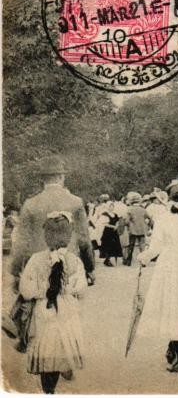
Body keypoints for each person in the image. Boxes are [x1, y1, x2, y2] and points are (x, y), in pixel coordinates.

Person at [6, 156, 93, 350]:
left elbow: (22, 243)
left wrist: (16, 272)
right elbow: (84, 239)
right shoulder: (76, 202)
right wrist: (89, 267)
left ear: (42, 179)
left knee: (36, 308)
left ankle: (31, 341)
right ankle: (67, 347)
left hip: (37, 264)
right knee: (68, 308)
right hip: (68, 263)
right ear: (61, 177)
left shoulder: (30, 204)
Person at [136, 180, 178, 373]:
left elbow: (156, 247)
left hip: (169, 264)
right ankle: (173, 349)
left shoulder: (163, 219)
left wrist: (144, 258)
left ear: (170, 198)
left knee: (171, 307)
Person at [19, 213, 87, 394]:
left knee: (46, 350)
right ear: (69, 236)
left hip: (44, 310)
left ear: (46, 236)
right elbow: (81, 289)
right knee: (62, 349)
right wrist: (66, 290)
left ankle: (48, 390)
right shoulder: (75, 261)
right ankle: (58, 377)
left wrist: (42, 291)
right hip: (67, 312)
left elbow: (26, 290)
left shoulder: (36, 259)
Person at [120, 192, 152, 266]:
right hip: (142, 230)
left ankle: (128, 261)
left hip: (133, 230)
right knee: (142, 247)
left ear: (132, 202)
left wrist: (127, 225)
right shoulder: (143, 210)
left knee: (131, 246)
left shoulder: (129, 209)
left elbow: (127, 221)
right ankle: (143, 261)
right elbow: (150, 219)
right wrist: (147, 226)